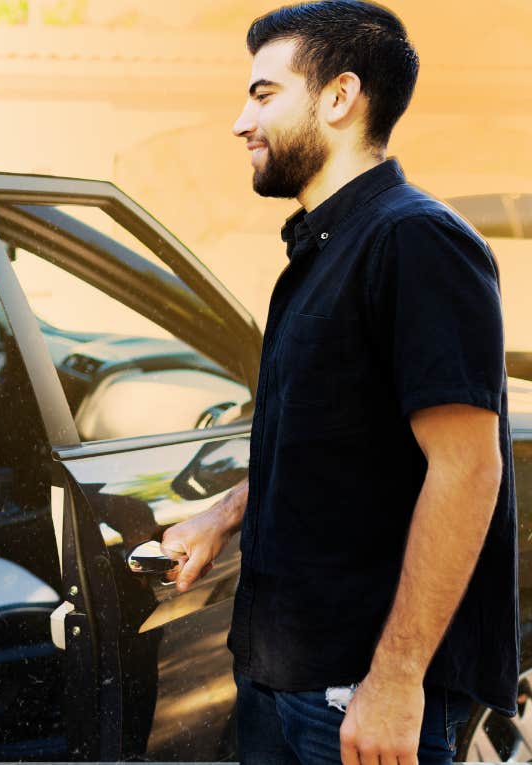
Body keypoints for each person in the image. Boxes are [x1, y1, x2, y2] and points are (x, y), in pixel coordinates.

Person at [159, 2, 517, 763]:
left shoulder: (415, 241)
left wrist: (395, 677)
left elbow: (469, 469)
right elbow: (328, 439)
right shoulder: (325, 249)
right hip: (279, 674)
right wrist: (221, 517)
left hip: (358, 692)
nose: (239, 122)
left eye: (262, 94)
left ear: (338, 97)